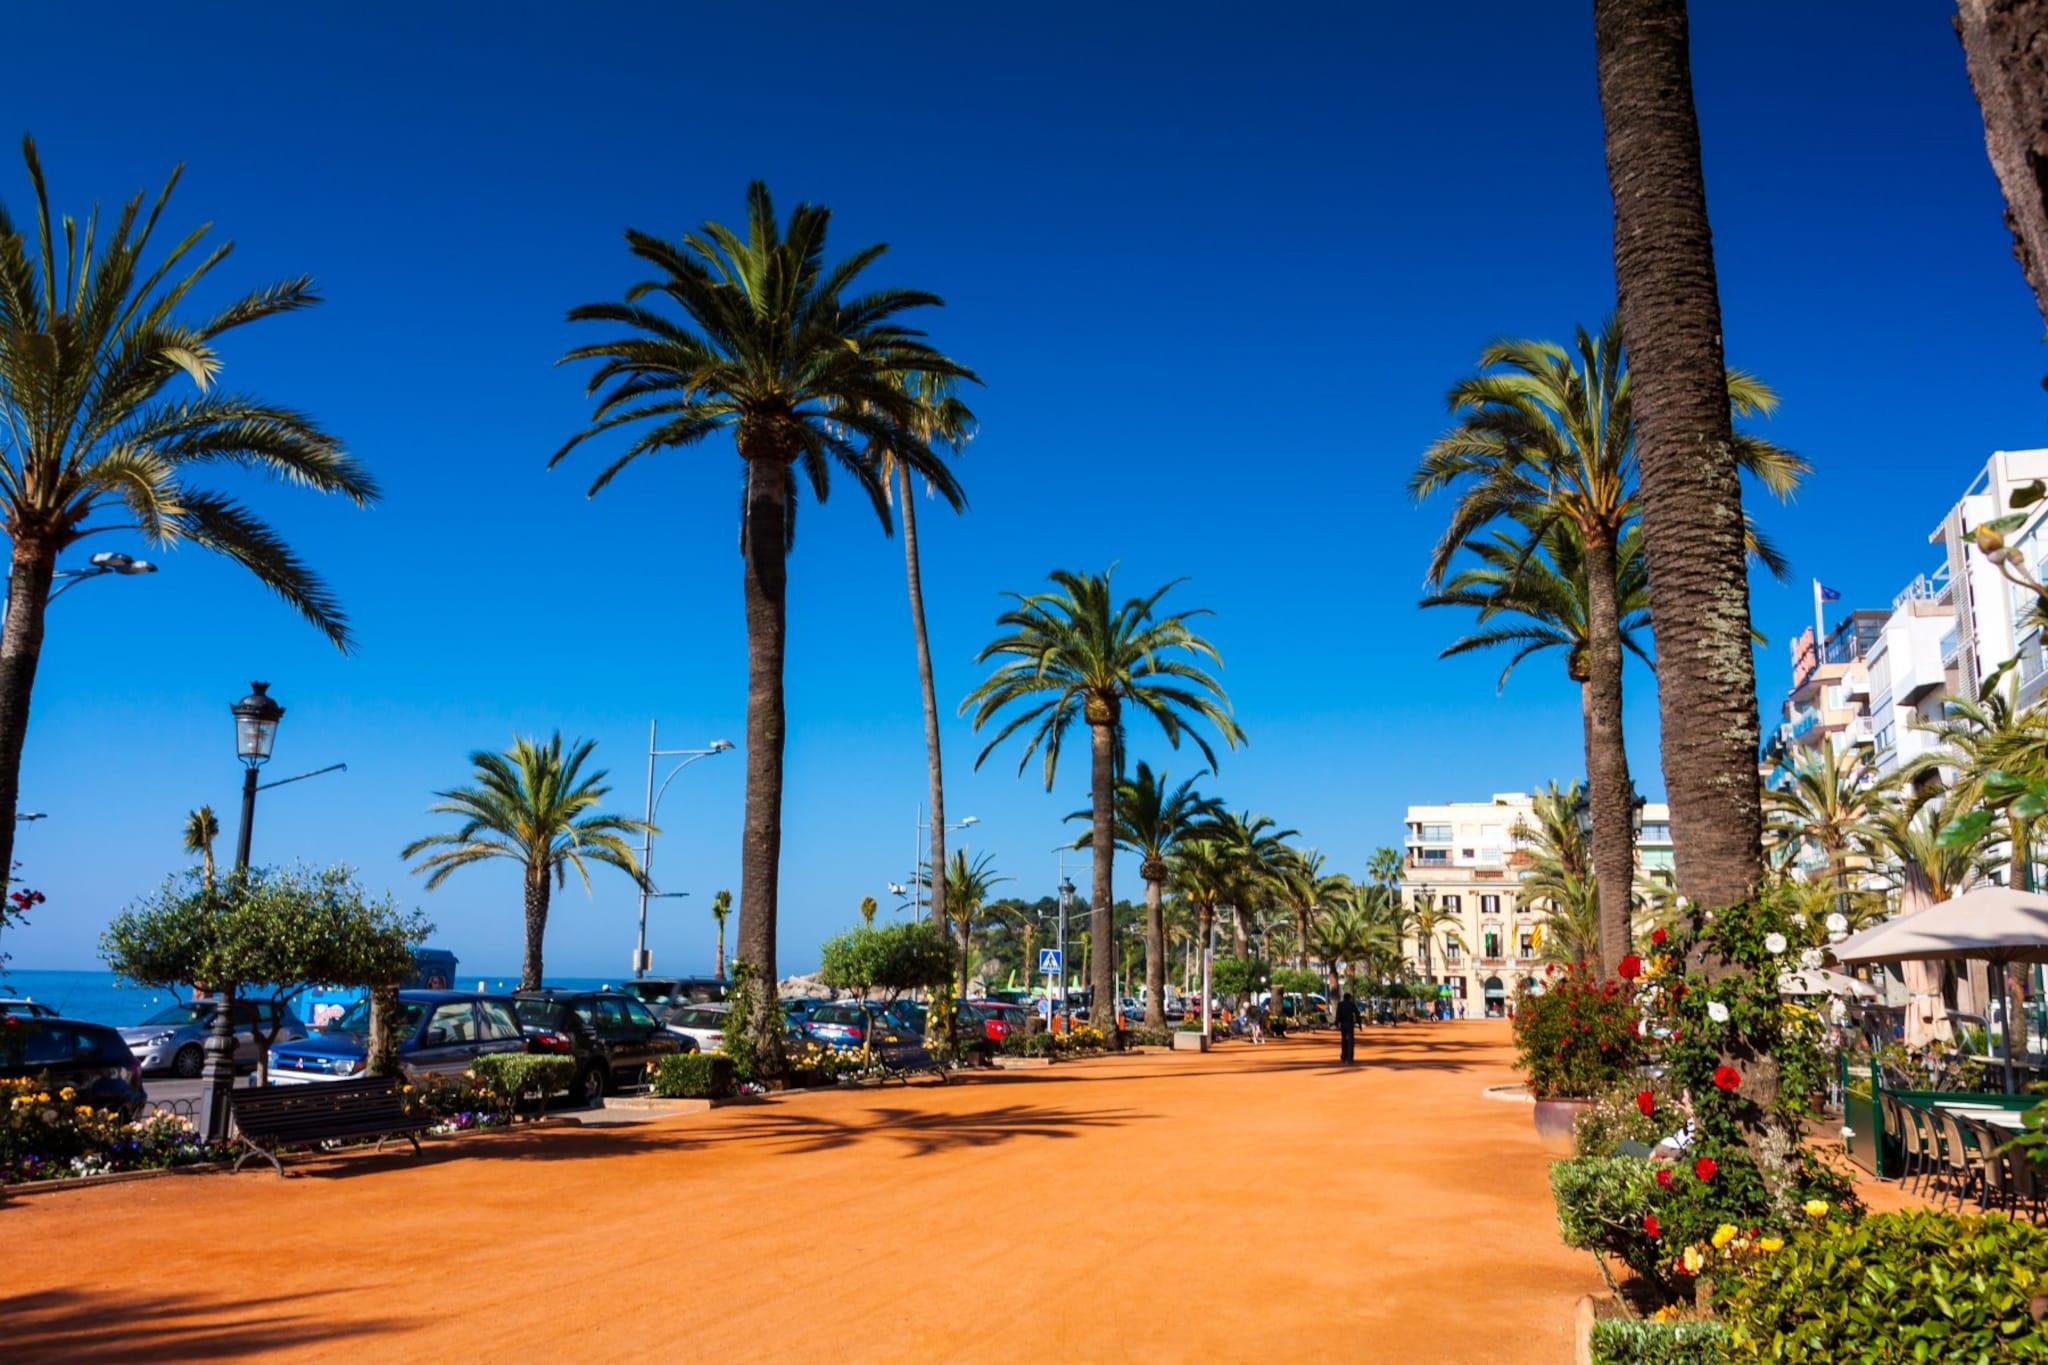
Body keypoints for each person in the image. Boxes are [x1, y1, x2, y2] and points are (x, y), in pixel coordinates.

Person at [1337, 991, 1358, 1065]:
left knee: (1343, 1040)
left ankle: (1343, 1057)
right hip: (1350, 1024)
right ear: (1349, 998)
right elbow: (1357, 1013)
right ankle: (1350, 1058)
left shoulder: (1340, 1004)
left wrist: (1337, 1023)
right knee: (1350, 1041)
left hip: (1343, 1024)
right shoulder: (1351, 1004)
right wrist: (1359, 1024)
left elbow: (1338, 1014)